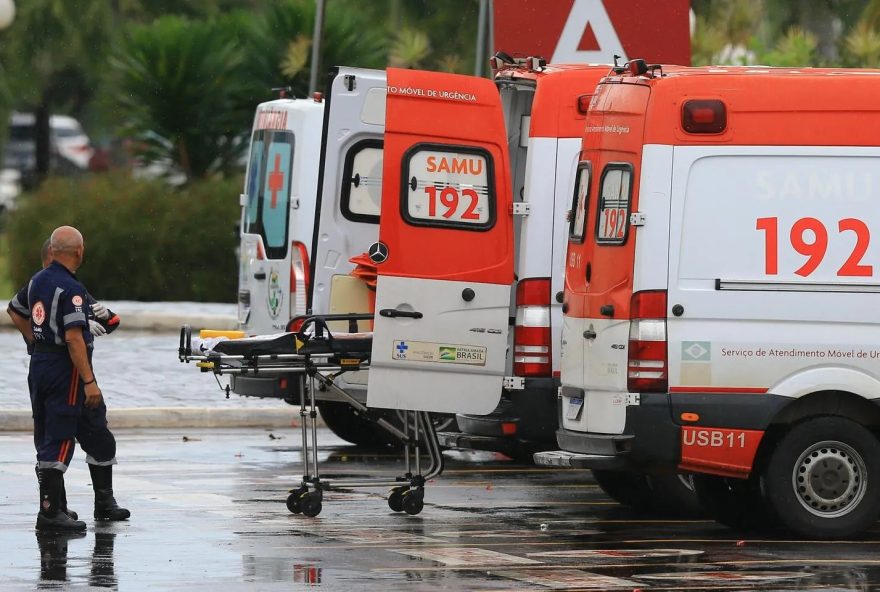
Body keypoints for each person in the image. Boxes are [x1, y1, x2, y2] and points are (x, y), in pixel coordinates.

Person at [7, 226, 129, 531]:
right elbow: (74, 338)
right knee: (58, 435)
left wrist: (34, 342)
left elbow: (15, 310)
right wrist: (89, 381)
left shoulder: (40, 281)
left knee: (95, 430)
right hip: (66, 368)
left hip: (42, 366)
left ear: (51, 251)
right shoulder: (67, 286)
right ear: (79, 252)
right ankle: (49, 512)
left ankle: (100, 503)